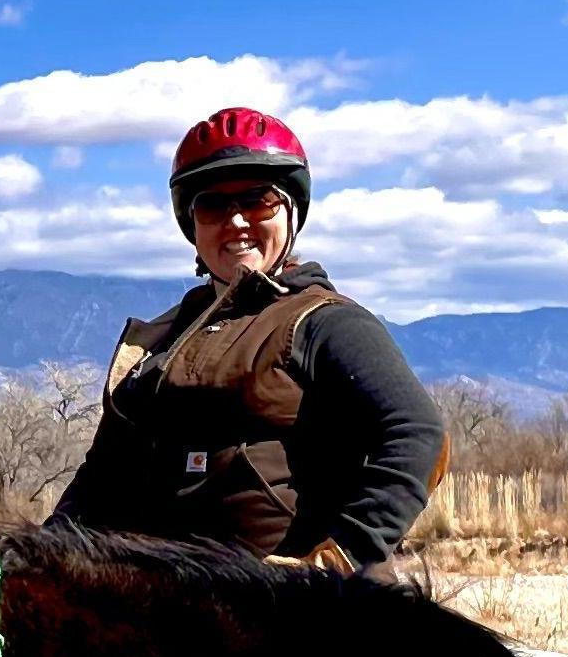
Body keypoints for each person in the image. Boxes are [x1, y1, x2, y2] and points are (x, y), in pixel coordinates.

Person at [52, 107, 447, 573]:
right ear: (191, 224)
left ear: (291, 212)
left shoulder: (324, 321)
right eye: (213, 205)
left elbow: (417, 433)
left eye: (259, 200)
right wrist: (34, 556)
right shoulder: (161, 342)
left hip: (303, 611)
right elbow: (103, 474)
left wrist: (338, 561)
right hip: (169, 607)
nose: (236, 222)